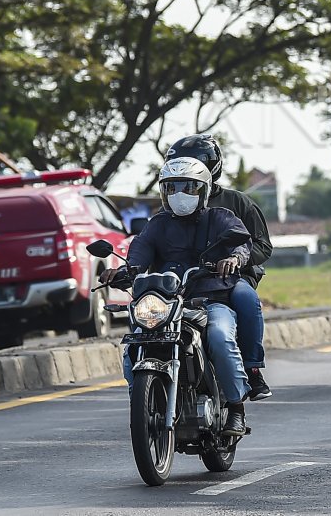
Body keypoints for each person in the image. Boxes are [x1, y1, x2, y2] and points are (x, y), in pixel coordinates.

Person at [105, 157, 252, 435]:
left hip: (211, 301)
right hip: (167, 304)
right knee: (134, 345)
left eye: (188, 187)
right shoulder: (157, 224)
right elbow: (139, 253)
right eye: (171, 188)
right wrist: (124, 271)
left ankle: (236, 408)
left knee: (220, 337)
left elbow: (242, 244)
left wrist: (234, 258)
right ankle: (145, 400)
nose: (179, 195)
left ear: (204, 190)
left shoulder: (221, 218)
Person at [166, 134, 275, 400]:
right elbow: (150, 243)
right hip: (185, 281)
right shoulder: (170, 206)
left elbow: (262, 246)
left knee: (245, 298)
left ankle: (252, 369)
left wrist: (237, 260)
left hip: (232, 277)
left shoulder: (237, 203)